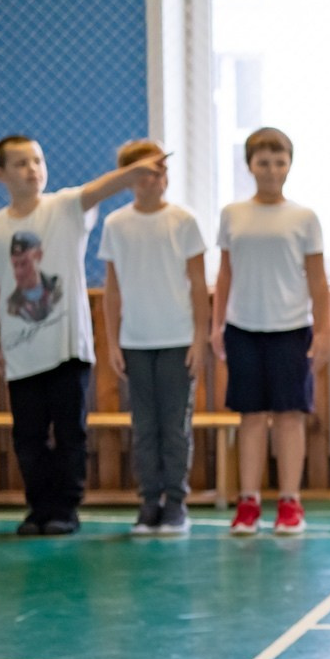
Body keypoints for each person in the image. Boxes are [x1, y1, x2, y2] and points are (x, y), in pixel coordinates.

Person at [0, 134, 162, 535]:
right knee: (28, 436)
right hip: (21, 353)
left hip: (67, 350)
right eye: (21, 163)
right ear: (0, 173)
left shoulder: (64, 208)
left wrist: (136, 169)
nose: (33, 170)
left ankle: (64, 507)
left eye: (38, 161)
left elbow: (102, 188)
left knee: (70, 431)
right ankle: (38, 507)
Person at [213, 127, 330, 537]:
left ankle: (289, 502)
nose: (271, 169)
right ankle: (247, 503)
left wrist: (325, 330)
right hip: (243, 328)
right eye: (263, 161)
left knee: (289, 417)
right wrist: (217, 324)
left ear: (289, 165)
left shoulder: (303, 218)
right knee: (251, 417)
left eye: (279, 161)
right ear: (250, 165)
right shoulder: (233, 214)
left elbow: (318, 281)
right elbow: (225, 273)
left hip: (290, 329)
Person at [100, 138, 210, 537]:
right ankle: (149, 502)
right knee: (144, 426)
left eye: (161, 170)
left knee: (175, 425)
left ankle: (176, 503)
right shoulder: (116, 225)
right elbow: (111, 291)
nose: (155, 179)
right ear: (130, 178)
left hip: (177, 338)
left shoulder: (183, 221)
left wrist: (199, 340)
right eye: (146, 171)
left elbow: (198, 285)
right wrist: (113, 342)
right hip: (136, 341)